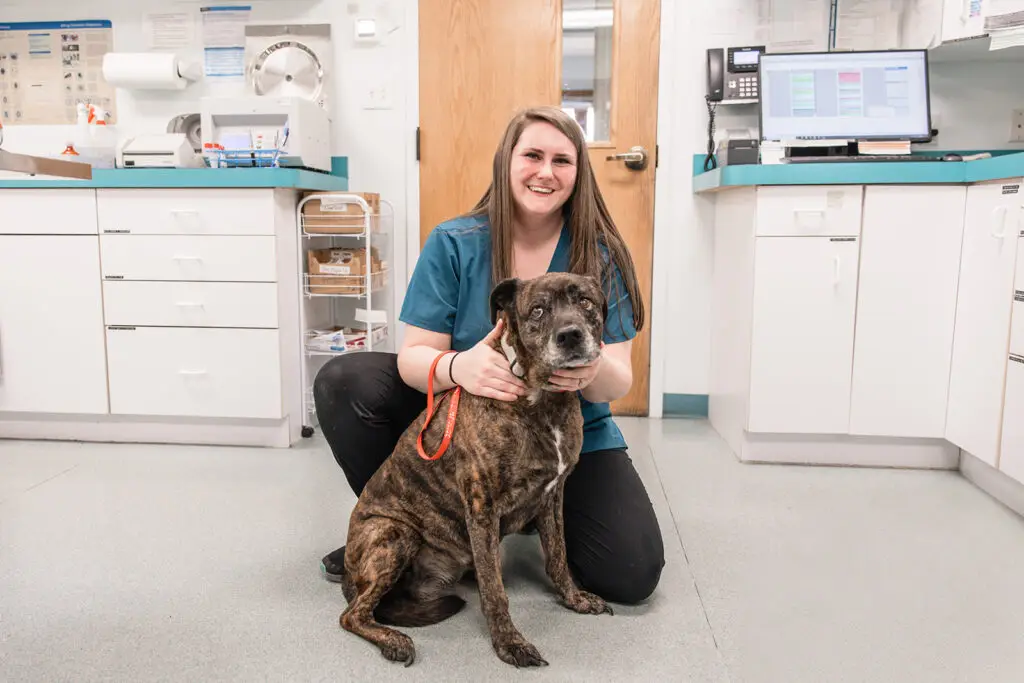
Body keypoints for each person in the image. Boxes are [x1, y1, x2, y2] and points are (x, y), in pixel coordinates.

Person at [313, 105, 664, 605]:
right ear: (506, 162)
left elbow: (618, 381)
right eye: (533, 155)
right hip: (471, 426)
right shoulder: (456, 242)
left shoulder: (601, 253)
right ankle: (408, 524)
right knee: (345, 380)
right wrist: (461, 367)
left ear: (579, 173)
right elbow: (414, 359)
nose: (546, 172)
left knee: (631, 574)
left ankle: (515, 512)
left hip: (566, 433)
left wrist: (589, 369)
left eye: (562, 160)